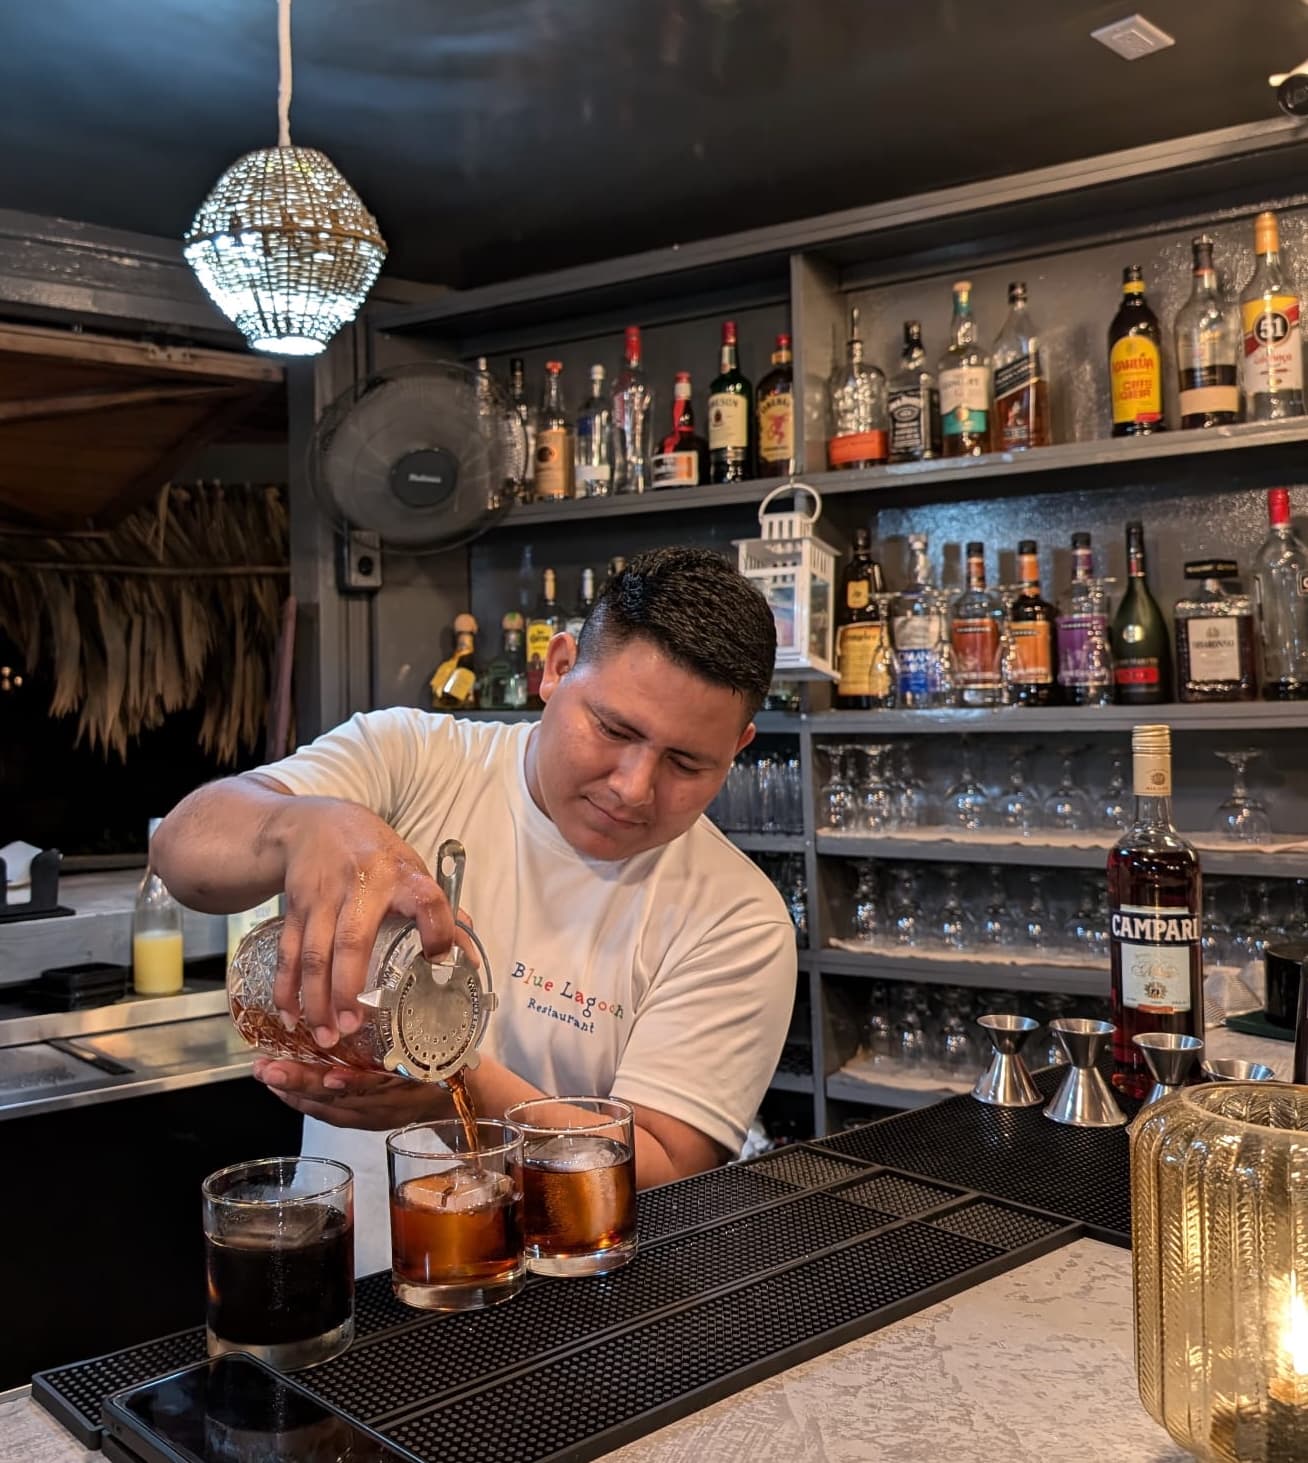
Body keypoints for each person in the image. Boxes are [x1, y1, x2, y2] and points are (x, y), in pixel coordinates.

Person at [153, 546, 797, 1273]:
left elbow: (663, 1171)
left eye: (686, 763)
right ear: (555, 670)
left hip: (579, 1309)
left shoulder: (738, 917)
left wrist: (447, 1088)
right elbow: (182, 851)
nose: (633, 787)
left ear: (739, 748)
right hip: (344, 1284)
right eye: (614, 730)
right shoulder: (414, 758)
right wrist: (304, 826)